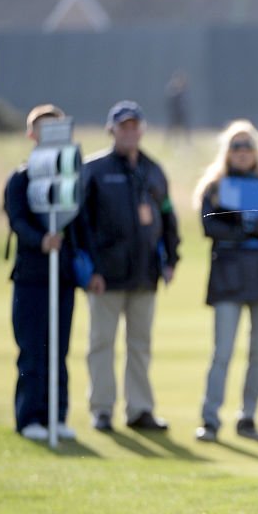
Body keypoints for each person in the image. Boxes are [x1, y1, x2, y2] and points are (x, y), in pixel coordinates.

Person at [81, 100, 180, 432]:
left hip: (145, 273)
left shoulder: (153, 170)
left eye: (135, 125)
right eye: (123, 126)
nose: (130, 131)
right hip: (105, 275)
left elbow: (167, 217)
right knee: (102, 343)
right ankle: (102, 409)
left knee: (140, 345)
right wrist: (89, 269)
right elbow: (81, 226)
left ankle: (139, 409)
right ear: (112, 130)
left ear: (142, 129)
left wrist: (172, 259)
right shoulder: (93, 170)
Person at [3, 104, 97, 441]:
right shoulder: (21, 177)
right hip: (31, 276)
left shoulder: (72, 178)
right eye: (43, 129)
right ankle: (29, 417)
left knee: (59, 348)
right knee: (33, 348)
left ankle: (56, 415)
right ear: (31, 134)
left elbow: (81, 226)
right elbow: (17, 220)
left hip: (64, 276)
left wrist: (91, 268)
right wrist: (41, 240)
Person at [192, 120, 258, 443]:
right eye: (236, 146)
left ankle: (248, 417)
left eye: (247, 146)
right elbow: (211, 227)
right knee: (223, 351)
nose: (242, 152)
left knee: (257, 352)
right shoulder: (215, 188)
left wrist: (240, 223)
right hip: (228, 275)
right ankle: (210, 418)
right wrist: (246, 224)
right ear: (227, 152)